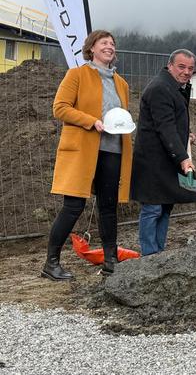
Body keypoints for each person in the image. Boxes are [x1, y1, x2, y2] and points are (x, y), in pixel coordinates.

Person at [42, 30, 133, 279]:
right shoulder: (77, 75)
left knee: (108, 206)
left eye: (113, 44)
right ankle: (51, 263)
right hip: (83, 150)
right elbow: (60, 107)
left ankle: (111, 261)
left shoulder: (121, 83)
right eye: (104, 43)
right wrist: (90, 121)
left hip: (113, 150)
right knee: (73, 206)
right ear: (91, 48)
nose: (110, 47)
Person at [131, 49, 196, 256]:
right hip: (154, 161)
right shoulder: (160, 88)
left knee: (165, 208)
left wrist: (185, 134)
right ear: (170, 65)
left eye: (190, 68)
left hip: (166, 159)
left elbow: (171, 122)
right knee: (153, 208)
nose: (187, 72)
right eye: (181, 67)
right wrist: (183, 157)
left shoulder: (173, 87)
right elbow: (165, 127)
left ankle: (158, 254)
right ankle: (150, 254)